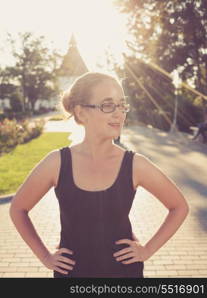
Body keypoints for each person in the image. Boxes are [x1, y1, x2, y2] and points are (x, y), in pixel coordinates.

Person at [9, 72, 189, 278]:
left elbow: (179, 207)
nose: (119, 114)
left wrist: (147, 250)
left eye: (122, 105)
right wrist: (45, 257)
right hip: (71, 275)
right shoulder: (57, 163)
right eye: (107, 105)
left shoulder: (135, 164)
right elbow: (18, 209)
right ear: (81, 112)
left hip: (125, 274)